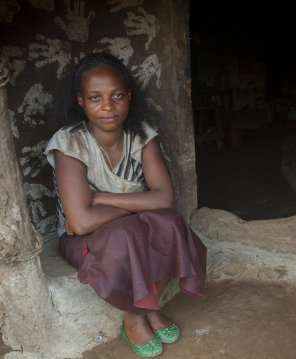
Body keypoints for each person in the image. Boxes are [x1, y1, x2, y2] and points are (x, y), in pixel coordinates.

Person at [44, 52, 207, 357]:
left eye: (117, 95)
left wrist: (100, 199)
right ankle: (136, 315)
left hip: (126, 225)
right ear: (81, 101)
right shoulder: (70, 143)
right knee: (125, 235)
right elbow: (79, 223)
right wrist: (140, 205)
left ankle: (146, 308)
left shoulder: (142, 135)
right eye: (95, 97)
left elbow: (165, 200)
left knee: (172, 224)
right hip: (82, 239)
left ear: (129, 95)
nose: (107, 105)